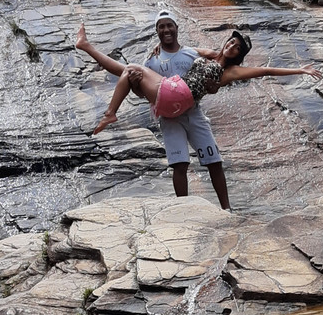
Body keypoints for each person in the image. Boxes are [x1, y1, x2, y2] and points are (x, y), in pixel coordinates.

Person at [76, 11, 234, 209]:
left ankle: (227, 209)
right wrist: (133, 85)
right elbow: (143, 94)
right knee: (180, 164)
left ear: (177, 28)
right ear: (157, 31)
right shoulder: (152, 61)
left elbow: (218, 66)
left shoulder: (193, 53)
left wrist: (215, 86)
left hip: (194, 113)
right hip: (169, 118)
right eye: (161, 27)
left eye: (170, 25)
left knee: (214, 161)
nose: (166, 30)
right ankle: (184, 210)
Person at [86, 26, 322, 137]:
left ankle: (110, 113)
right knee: (128, 73)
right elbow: (179, 50)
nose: (230, 47)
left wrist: (299, 70)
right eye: (230, 42)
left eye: (236, 48)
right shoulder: (208, 55)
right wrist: (160, 46)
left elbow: (265, 70)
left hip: (177, 94)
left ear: (238, 54)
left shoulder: (230, 71)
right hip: (176, 99)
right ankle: (86, 46)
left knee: (132, 69)